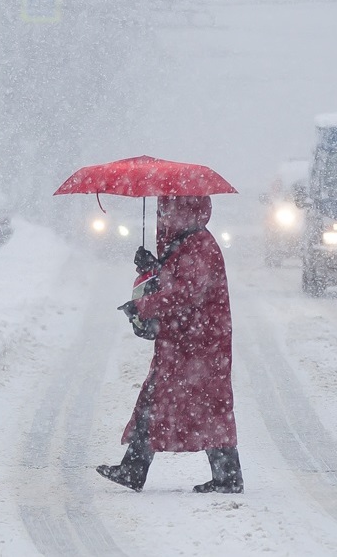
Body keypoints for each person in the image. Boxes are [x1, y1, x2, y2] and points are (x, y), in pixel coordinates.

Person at [97, 195, 243, 493]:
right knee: (170, 401)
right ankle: (136, 468)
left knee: (200, 406)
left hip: (200, 344)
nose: (162, 215)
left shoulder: (199, 245)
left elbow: (187, 293)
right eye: (161, 209)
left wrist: (146, 306)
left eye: (169, 209)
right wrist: (153, 267)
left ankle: (225, 476)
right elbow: (177, 281)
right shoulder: (187, 242)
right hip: (186, 342)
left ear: (186, 211)